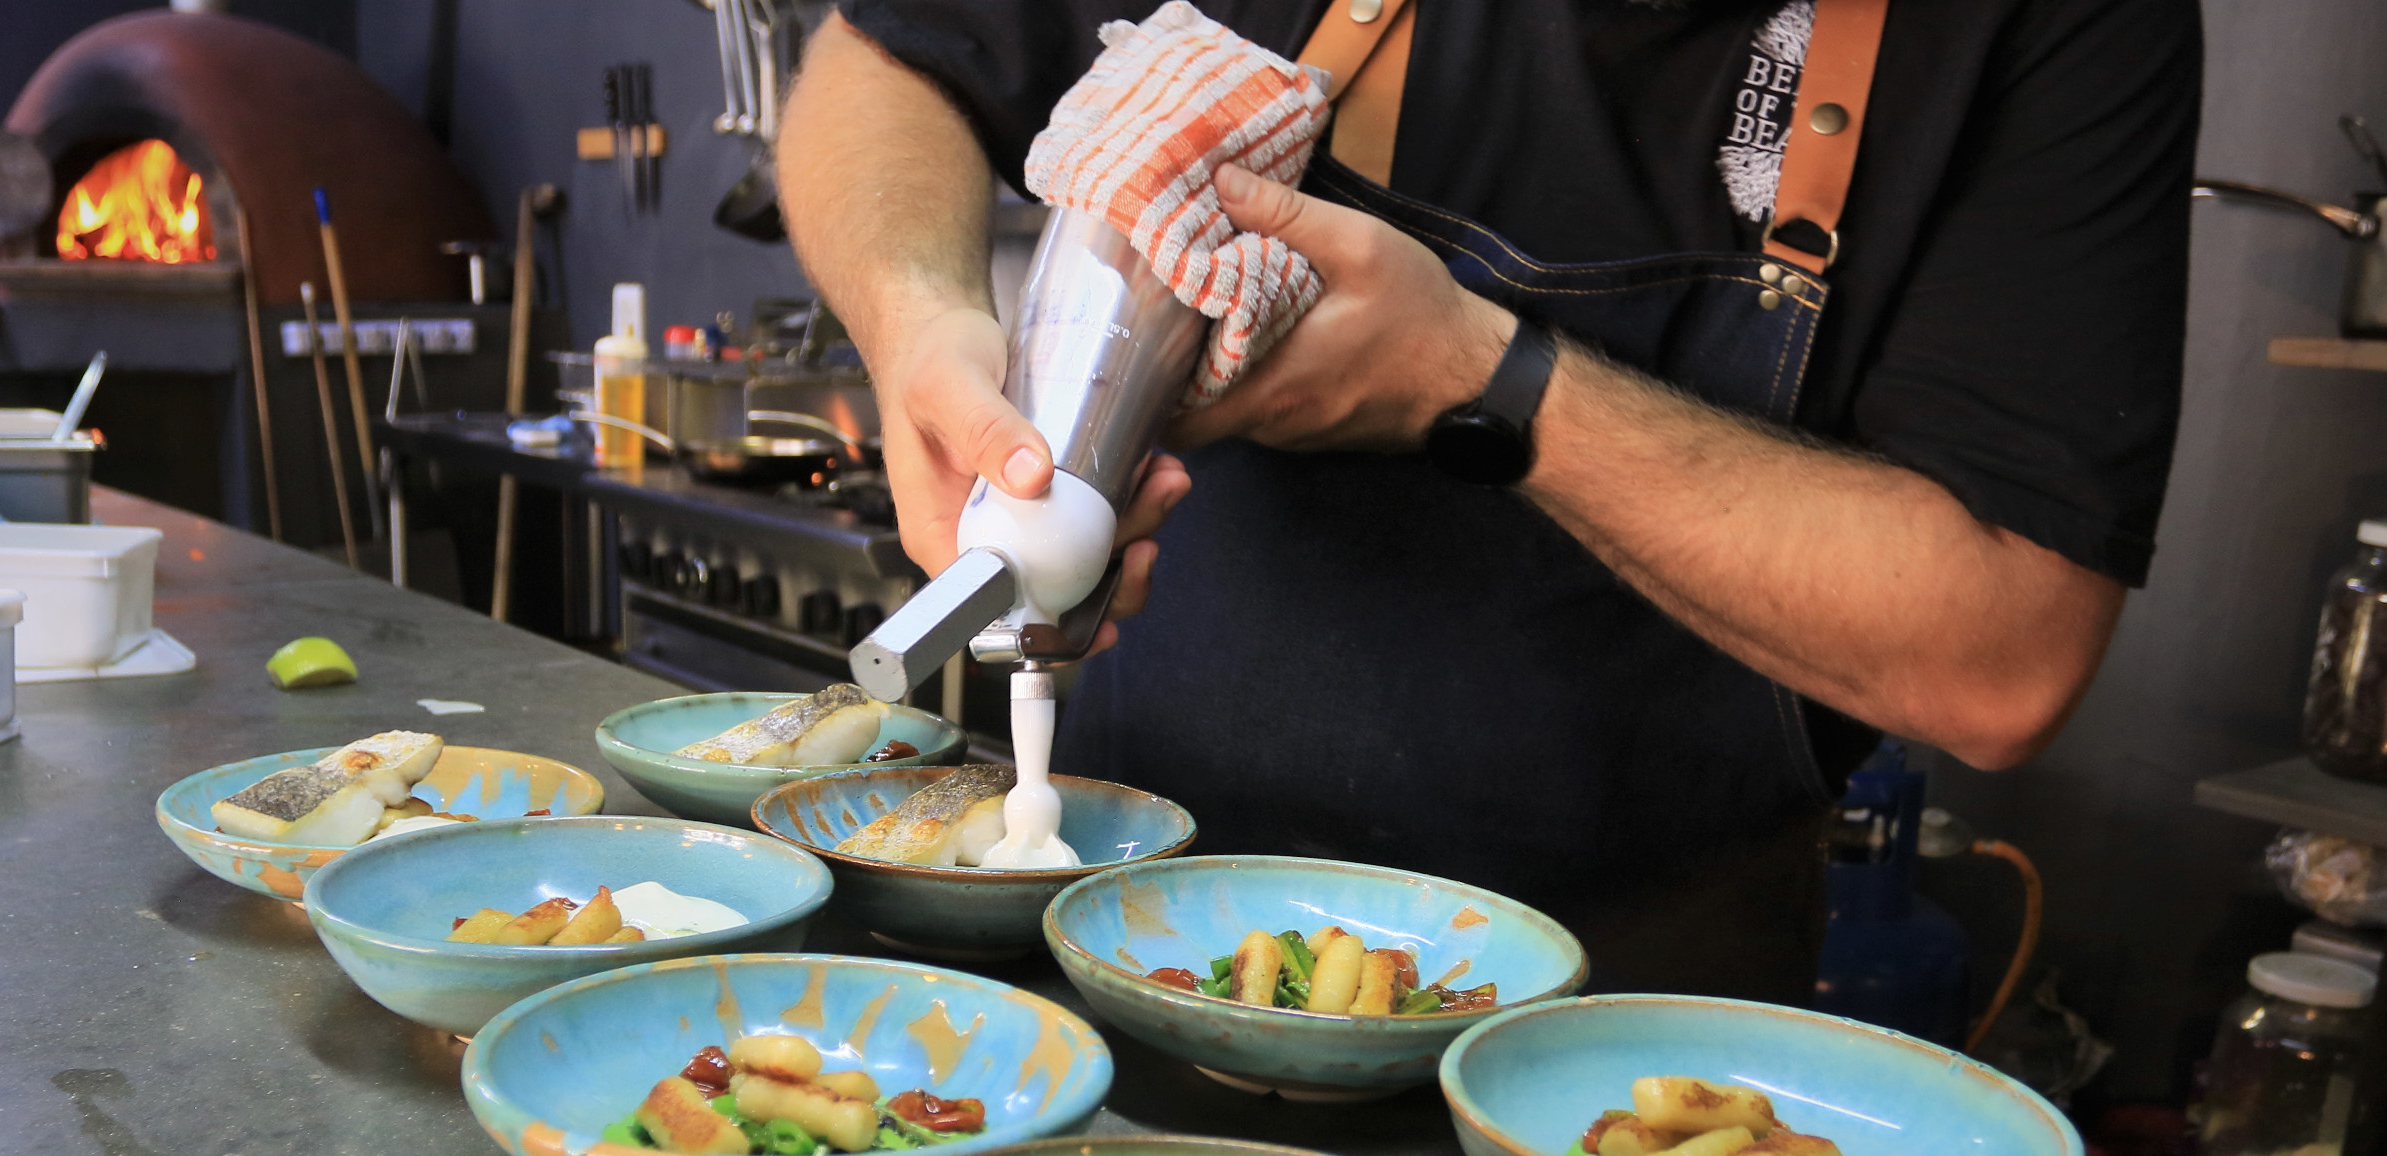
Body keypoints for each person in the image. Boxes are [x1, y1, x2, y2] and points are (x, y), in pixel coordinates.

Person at [778, 0, 2200, 1002]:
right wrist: (919, 323)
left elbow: (2001, 647)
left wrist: (1478, 380)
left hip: (1619, 1028)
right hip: (1127, 916)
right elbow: (890, 59)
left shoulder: (2053, 29)